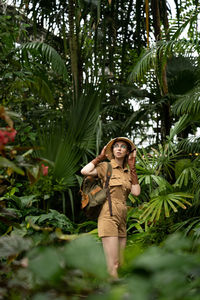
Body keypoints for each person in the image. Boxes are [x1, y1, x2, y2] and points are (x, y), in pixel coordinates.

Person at [81, 137, 141, 278]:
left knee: (119, 263)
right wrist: (100, 157)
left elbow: (136, 192)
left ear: (127, 152)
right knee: (112, 264)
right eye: (116, 146)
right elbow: (85, 171)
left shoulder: (127, 172)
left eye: (123, 147)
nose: (119, 148)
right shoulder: (105, 166)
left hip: (122, 217)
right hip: (108, 214)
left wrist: (132, 168)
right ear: (112, 151)